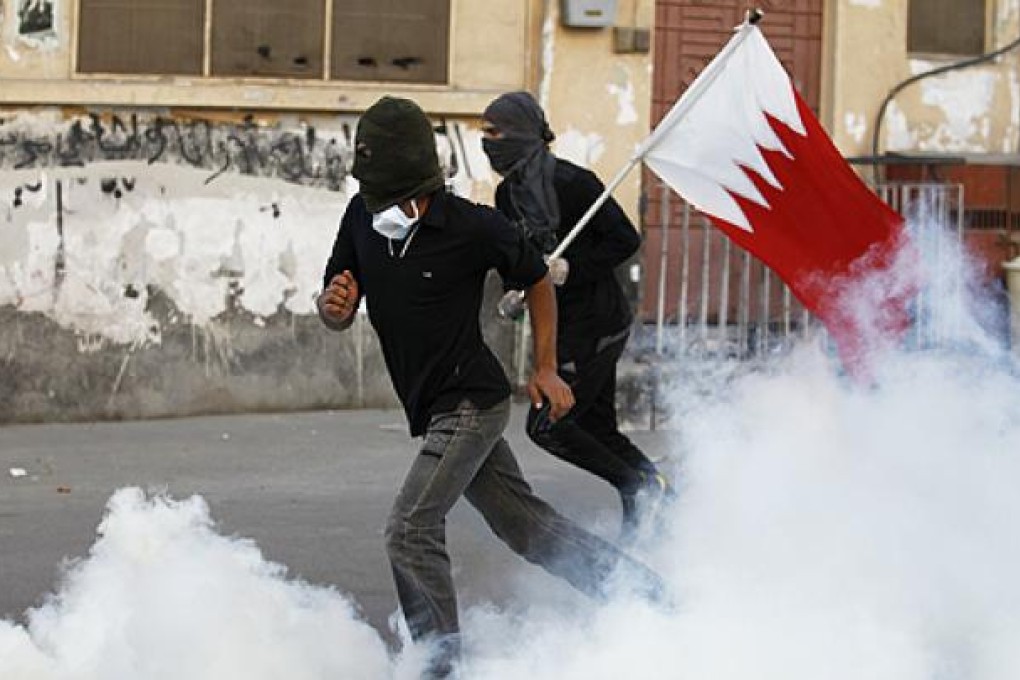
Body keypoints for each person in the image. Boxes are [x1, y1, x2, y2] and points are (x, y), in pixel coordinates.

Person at [318, 96, 664, 678]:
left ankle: (438, 666)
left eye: (393, 196)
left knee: (409, 529)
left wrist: (546, 367)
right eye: (373, 193)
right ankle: (646, 597)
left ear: (424, 183)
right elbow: (336, 295)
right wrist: (335, 306)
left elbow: (536, 280)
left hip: (471, 402)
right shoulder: (361, 217)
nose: (381, 206)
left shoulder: (472, 225)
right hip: (433, 407)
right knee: (526, 527)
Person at [481, 91, 674, 537]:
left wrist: (572, 268)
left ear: (523, 132)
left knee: (548, 424)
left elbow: (625, 239)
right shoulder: (507, 194)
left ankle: (638, 485)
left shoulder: (575, 184)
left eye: (496, 132)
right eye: (484, 133)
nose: (487, 142)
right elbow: (519, 256)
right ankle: (660, 498)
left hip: (599, 323)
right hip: (560, 328)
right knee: (598, 426)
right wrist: (515, 290)